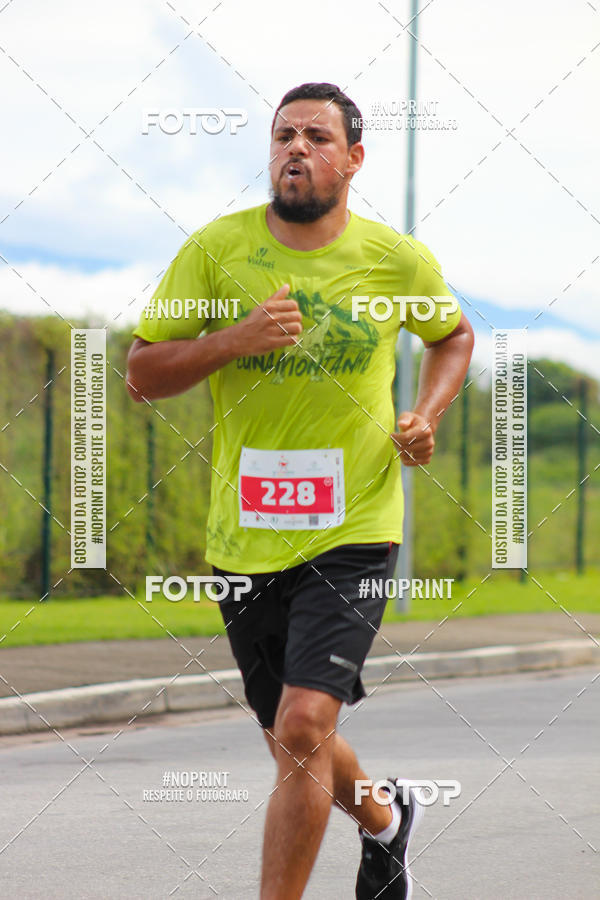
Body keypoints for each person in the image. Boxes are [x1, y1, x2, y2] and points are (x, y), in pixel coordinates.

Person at [126, 81, 474, 900]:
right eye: (284, 135)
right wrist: (233, 340)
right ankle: (386, 818)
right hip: (244, 538)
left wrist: (423, 414)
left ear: (353, 158)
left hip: (356, 524)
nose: (295, 149)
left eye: (317, 136)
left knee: (306, 723)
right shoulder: (216, 252)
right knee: (294, 740)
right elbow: (143, 372)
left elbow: (451, 334)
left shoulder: (395, 259)